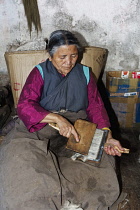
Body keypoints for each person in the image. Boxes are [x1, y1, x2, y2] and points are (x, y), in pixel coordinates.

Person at [0, 30, 124, 210]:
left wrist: (107, 134)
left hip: (77, 125)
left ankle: (74, 201)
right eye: (62, 57)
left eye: (74, 56)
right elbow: (25, 105)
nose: (69, 62)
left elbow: (96, 107)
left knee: (101, 156)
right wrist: (57, 118)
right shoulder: (40, 72)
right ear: (50, 56)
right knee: (18, 155)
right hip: (42, 122)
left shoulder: (85, 73)